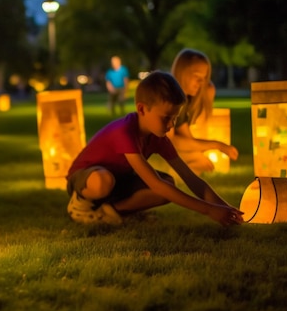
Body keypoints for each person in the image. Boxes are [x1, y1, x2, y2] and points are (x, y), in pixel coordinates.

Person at [66, 70, 244, 227]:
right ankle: (80, 206)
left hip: (119, 182)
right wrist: (208, 210)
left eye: (174, 118)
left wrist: (225, 208)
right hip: (86, 178)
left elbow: (189, 177)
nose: (171, 124)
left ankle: (111, 212)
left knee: (168, 185)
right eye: (166, 117)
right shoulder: (125, 131)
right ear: (142, 109)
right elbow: (155, 184)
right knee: (103, 180)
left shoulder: (158, 138)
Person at [169, 48, 238, 174]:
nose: (201, 83)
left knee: (199, 159)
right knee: (197, 160)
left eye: (204, 78)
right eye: (196, 76)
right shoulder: (169, 98)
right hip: (152, 156)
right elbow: (172, 142)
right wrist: (218, 145)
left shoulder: (183, 102)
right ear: (182, 72)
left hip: (167, 153)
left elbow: (186, 138)